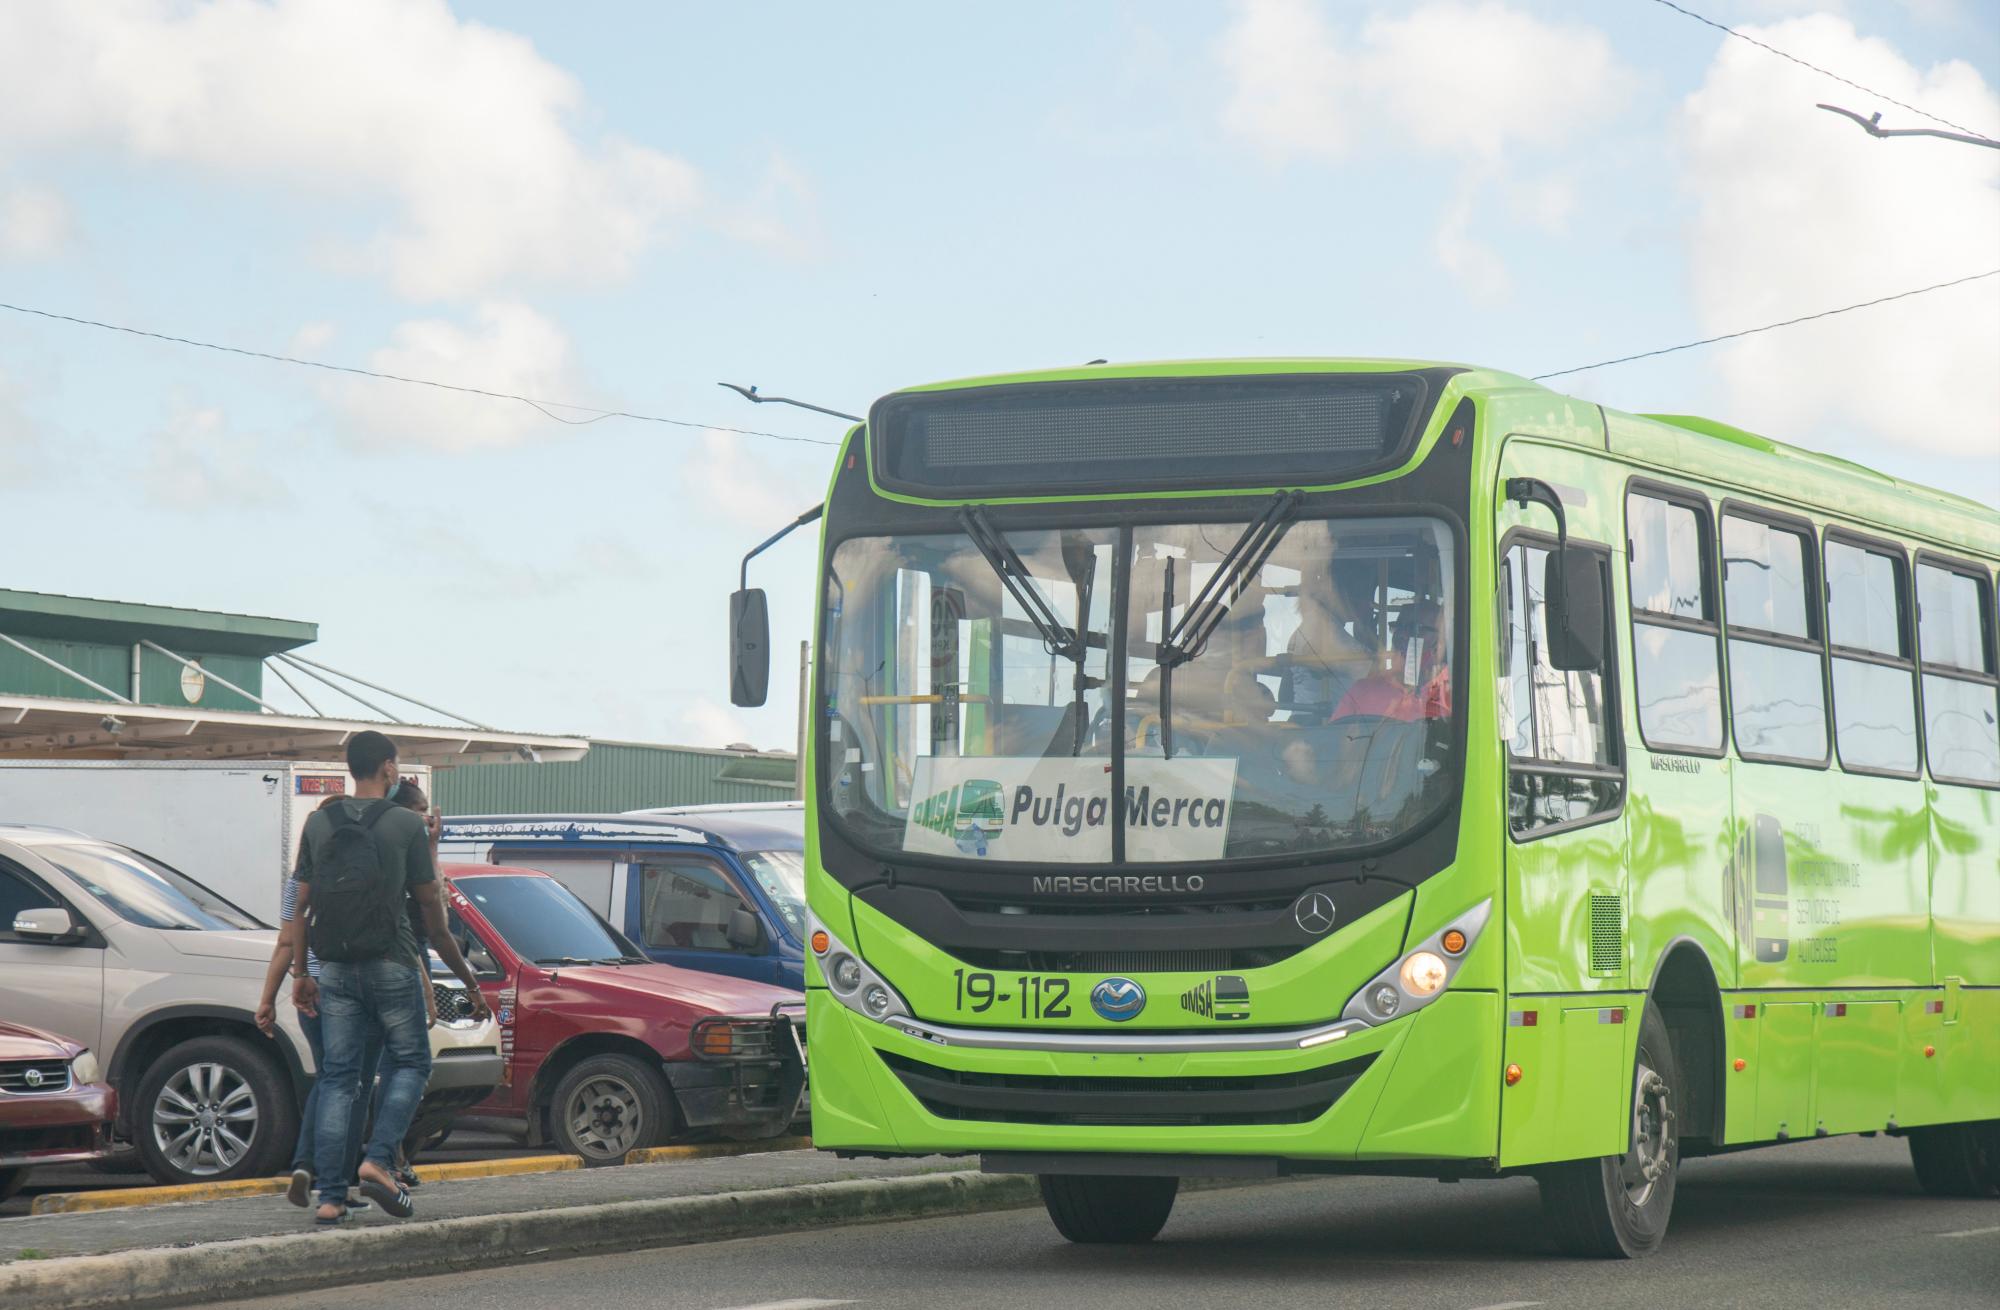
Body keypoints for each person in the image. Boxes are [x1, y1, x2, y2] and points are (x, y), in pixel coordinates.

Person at [288, 732, 489, 1225]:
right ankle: (379, 1160)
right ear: (387, 768)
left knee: (338, 1078)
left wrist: (300, 972)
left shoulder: (317, 823)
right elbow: (433, 917)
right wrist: (468, 981)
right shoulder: (405, 826)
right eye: (395, 766)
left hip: (332, 965)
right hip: (393, 963)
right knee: (411, 1064)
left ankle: (332, 1197)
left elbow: (300, 905)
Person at [255, 862, 380, 1213]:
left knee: (329, 1079)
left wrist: (267, 1000)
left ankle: (306, 1164)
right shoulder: (364, 871)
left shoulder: (299, 880)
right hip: (352, 989)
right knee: (353, 1086)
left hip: (309, 987)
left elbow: (285, 940)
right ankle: (334, 1184)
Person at [1331, 599, 1451, 721]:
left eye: (1415, 629)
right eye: (1398, 626)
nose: (1401, 635)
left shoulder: (1460, 689)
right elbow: (1336, 737)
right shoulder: (1363, 689)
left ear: (1442, 639)